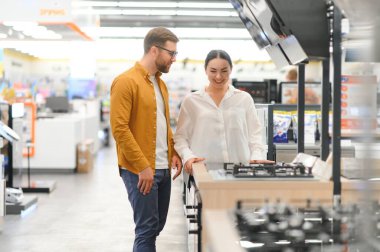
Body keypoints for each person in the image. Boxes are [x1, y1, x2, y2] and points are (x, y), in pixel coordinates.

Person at [110, 27, 182, 252]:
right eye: (171, 53)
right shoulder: (125, 82)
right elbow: (119, 129)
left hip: (162, 167)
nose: (173, 59)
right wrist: (143, 167)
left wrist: (173, 151)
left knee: (155, 227)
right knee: (146, 229)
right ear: (154, 50)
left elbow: (162, 123)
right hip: (140, 169)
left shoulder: (160, 84)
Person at [174, 49, 274, 175]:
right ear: (205, 70)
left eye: (224, 71)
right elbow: (180, 136)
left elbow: (255, 134)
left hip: (240, 171)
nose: (218, 76)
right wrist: (187, 156)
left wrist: (256, 155)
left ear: (231, 70)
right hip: (203, 172)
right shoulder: (192, 101)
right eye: (213, 71)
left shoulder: (243, 98)